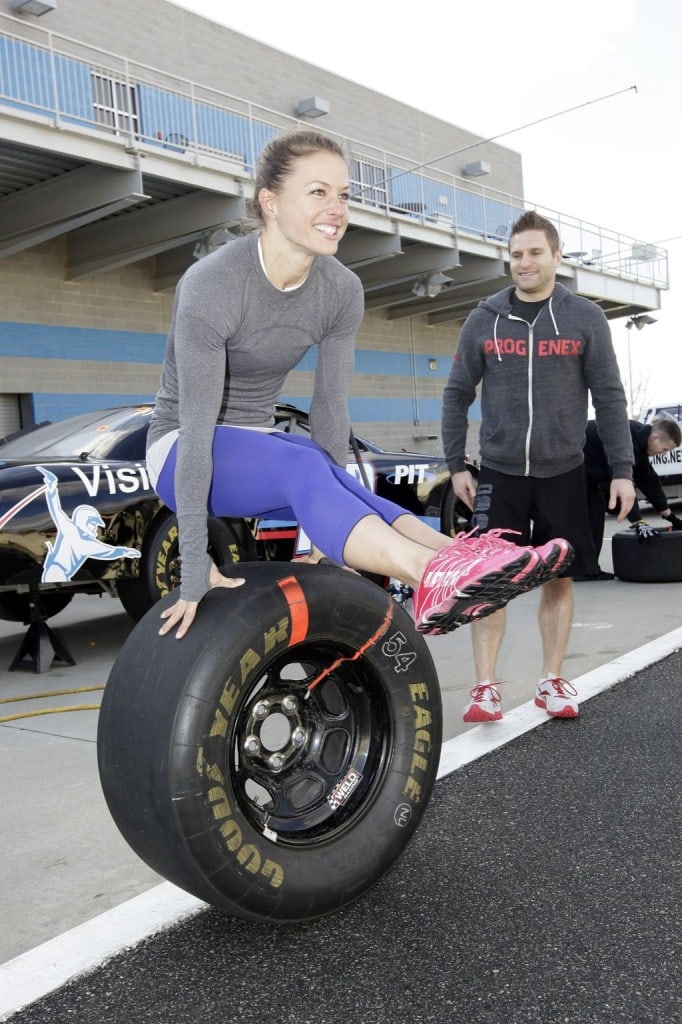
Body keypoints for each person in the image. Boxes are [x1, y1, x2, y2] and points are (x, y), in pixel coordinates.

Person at [145, 130, 568, 640]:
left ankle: (470, 559)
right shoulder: (212, 283)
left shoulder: (340, 289)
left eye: (343, 195)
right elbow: (196, 431)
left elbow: (329, 410)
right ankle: (426, 578)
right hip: (179, 454)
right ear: (270, 202)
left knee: (348, 484)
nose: (337, 209)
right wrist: (194, 564)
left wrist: (329, 533)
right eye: (318, 192)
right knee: (302, 460)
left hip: (257, 456)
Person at [441, 210, 636, 723]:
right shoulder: (483, 319)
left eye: (533, 253)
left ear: (556, 256)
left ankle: (551, 681)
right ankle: (485, 689)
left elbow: (610, 397)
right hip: (501, 472)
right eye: (515, 254)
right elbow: (457, 393)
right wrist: (456, 462)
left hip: (563, 472)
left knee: (559, 578)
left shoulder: (584, 319)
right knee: (492, 580)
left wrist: (623, 468)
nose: (523, 262)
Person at [581, 417, 682, 579]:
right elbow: (622, 482)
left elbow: (648, 479)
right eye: (664, 449)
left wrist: (669, 515)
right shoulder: (627, 439)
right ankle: (581, 569)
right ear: (655, 437)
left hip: (588, 475)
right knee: (588, 514)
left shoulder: (640, 442)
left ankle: (586, 570)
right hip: (568, 466)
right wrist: (638, 522)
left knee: (595, 511)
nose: (663, 454)